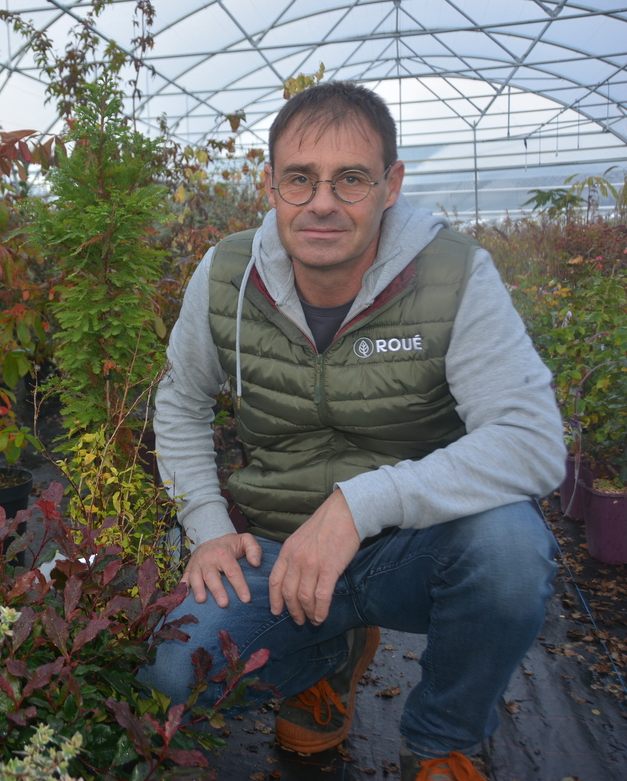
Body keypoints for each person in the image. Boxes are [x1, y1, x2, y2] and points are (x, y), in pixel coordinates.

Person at [139, 81, 564, 781]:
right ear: (270, 185)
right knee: (173, 675)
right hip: (274, 549)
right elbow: (181, 402)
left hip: (411, 549)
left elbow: (531, 438)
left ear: (391, 184)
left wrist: (358, 505)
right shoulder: (226, 276)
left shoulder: (454, 275)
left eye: (351, 179)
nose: (323, 202)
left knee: (511, 551)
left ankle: (440, 740)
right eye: (300, 179)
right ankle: (326, 658)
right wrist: (208, 528)